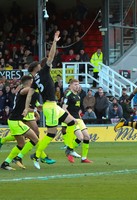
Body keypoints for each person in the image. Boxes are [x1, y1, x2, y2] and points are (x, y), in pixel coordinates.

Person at [24, 31, 77, 169]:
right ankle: (37, 154)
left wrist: (26, 107)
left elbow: (29, 95)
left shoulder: (35, 80)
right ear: (38, 67)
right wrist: (54, 41)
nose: (51, 65)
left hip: (52, 106)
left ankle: (69, 148)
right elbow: (51, 56)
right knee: (51, 134)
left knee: (71, 122)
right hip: (50, 107)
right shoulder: (43, 71)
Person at [1, 76, 39, 170]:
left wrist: (35, 109)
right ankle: (18, 158)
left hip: (14, 120)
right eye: (32, 82)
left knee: (21, 144)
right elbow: (29, 90)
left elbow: (27, 109)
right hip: (16, 121)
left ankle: (5, 163)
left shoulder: (24, 93)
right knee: (35, 139)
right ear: (30, 82)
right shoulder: (22, 90)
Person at [62, 79, 93, 163]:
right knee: (80, 137)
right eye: (75, 84)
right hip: (71, 120)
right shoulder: (68, 95)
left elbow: (77, 109)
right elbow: (64, 109)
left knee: (87, 137)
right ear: (71, 85)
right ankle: (69, 150)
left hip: (78, 119)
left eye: (78, 84)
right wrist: (72, 118)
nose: (77, 86)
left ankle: (84, 158)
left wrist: (79, 115)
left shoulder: (78, 96)